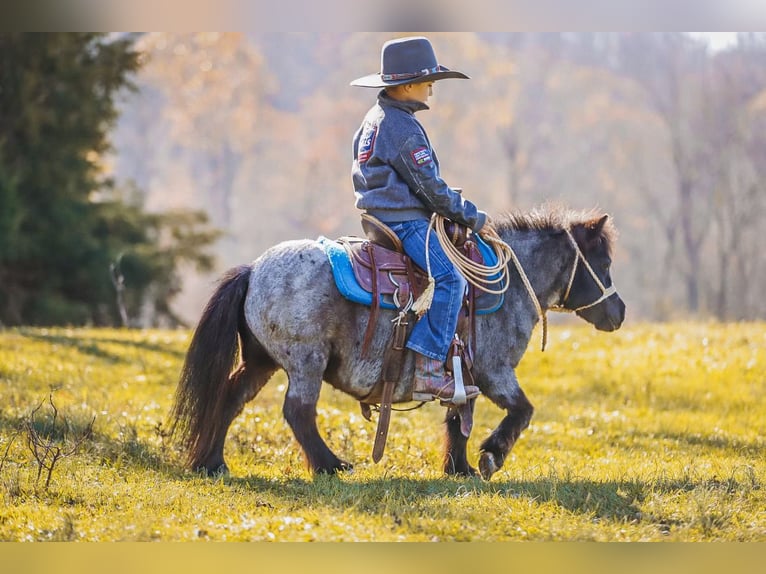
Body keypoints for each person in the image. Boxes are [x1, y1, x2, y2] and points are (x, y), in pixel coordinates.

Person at [350, 36, 487, 405]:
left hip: (382, 215)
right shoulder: (402, 127)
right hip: (405, 222)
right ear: (407, 85)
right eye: (428, 81)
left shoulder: (376, 118)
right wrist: (473, 217)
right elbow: (430, 189)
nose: (432, 88)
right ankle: (428, 371)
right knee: (451, 279)